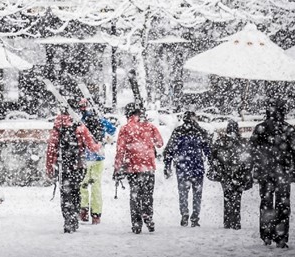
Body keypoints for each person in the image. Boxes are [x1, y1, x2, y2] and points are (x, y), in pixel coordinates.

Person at [249, 101, 295, 249]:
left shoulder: (260, 128)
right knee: (283, 204)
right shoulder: (288, 129)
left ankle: (266, 235)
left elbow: (251, 151)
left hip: (264, 172)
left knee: (266, 204)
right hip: (282, 173)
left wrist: (251, 169)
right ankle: (281, 237)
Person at [46, 103, 102, 233]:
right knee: (76, 191)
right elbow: (92, 146)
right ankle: (75, 217)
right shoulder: (80, 126)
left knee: (66, 193)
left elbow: (51, 149)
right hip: (78, 165)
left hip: (64, 166)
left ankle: (68, 219)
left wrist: (49, 167)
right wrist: (99, 144)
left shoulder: (57, 127)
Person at [113, 102, 164, 234]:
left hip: (133, 167)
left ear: (128, 114)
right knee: (147, 194)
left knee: (135, 195)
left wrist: (117, 167)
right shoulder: (150, 126)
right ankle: (148, 215)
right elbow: (160, 143)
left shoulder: (125, 129)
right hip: (148, 167)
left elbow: (120, 150)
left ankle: (136, 223)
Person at [163, 111, 211, 227]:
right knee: (197, 194)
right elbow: (208, 149)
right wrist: (212, 162)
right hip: (197, 167)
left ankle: (184, 213)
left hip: (182, 167)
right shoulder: (200, 132)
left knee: (183, 193)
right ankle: (195, 217)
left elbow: (169, 150)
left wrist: (167, 165)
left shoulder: (178, 131)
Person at [77, 97, 117, 225]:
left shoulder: (80, 120)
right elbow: (112, 130)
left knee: (82, 184)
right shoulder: (99, 119)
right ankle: (96, 215)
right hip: (99, 156)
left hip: (85, 157)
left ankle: (83, 210)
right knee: (96, 186)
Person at [209, 119, 253, 229]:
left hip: (225, 174)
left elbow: (213, 156)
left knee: (227, 196)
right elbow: (248, 158)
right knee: (237, 197)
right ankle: (236, 221)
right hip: (239, 174)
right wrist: (244, 170)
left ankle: (227, 221)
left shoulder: (221, 141)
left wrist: (220, 168)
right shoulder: (242, 142)